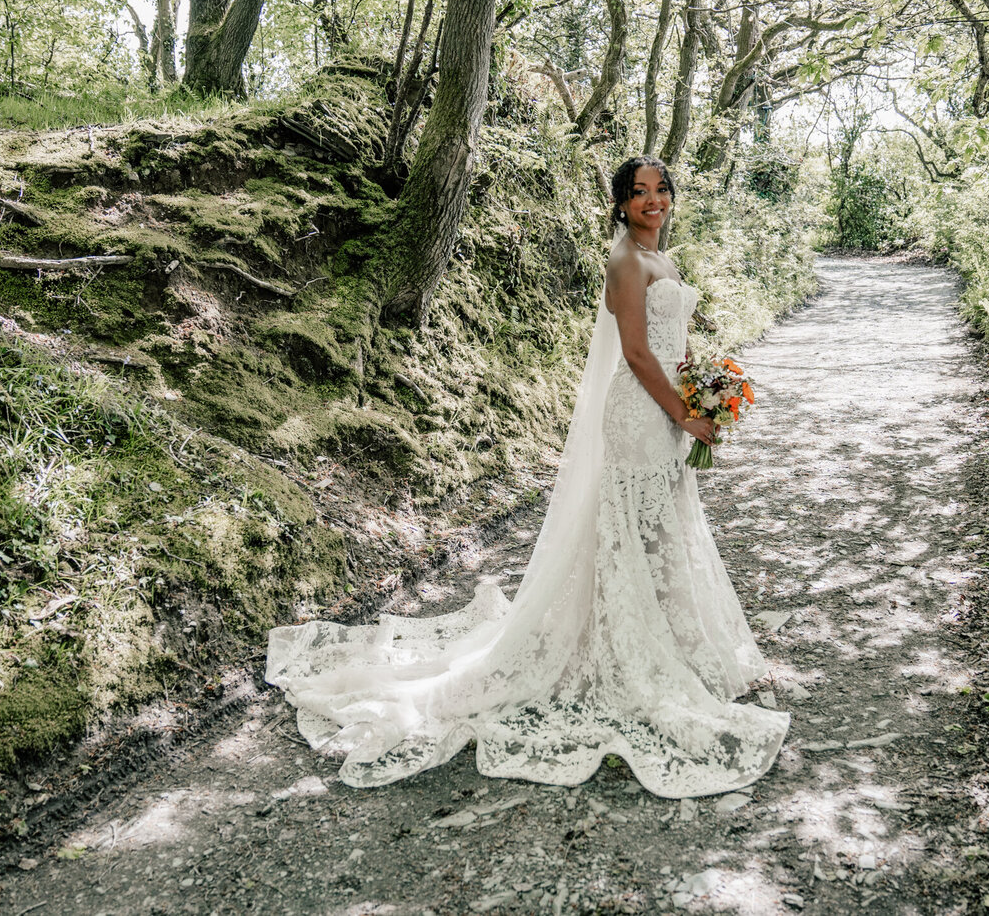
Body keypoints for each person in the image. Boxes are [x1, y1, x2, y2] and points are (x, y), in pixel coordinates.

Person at [265, 157, 789, 797]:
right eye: (638, 193)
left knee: (666, 528)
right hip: (638, 413)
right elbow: (635, 352)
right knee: (630, 530)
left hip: (670, 415)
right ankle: (625, 655)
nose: (653, 201)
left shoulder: (667, 260)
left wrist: (701, 397)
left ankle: (673, 646)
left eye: (660, 190)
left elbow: (674, 343)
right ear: (620, 204)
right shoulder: (624, 260)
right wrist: (684, 408)